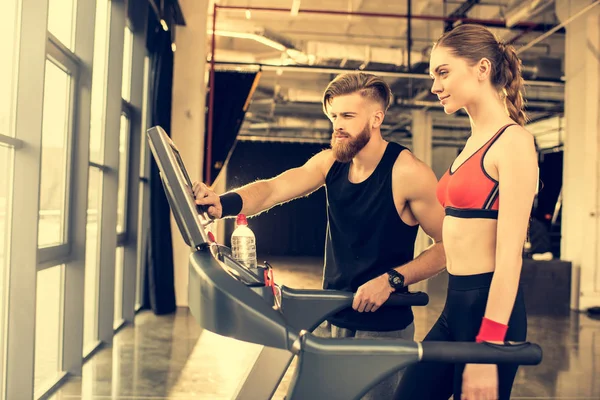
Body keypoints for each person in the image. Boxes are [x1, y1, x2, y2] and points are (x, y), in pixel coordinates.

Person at [193, 72, 447, 399]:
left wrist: (391, 279)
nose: (337, 125)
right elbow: (274, 189)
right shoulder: (332, 162)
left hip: (384, 328)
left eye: (348, 116)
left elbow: (448, 247)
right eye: (334, 116)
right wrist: (223, 202)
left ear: (376, 118)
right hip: (331, 314)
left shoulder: (409, 173)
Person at [393, 24, 538, 400]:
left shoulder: (515, 143)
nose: (434, 86)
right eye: (433, 76)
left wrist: (486, 349)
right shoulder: (473, 142)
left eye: (443, 72)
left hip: (490, 313)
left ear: (482, 68)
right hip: (455, 305)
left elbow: (509, 258)